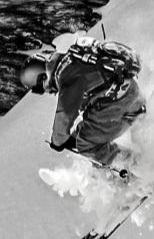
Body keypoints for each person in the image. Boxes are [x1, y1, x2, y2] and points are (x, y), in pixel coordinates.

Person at [19, 36, 146, 170]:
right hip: (129, 92)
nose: (47, 91)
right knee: (82, 134)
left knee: (86, 145)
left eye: (40, 87)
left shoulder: (67, 76)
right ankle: (147, 154)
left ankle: (140, 166)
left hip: (117, 104)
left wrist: (58, 142)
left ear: (43, 77)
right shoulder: (72, 60)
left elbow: (65, 114)